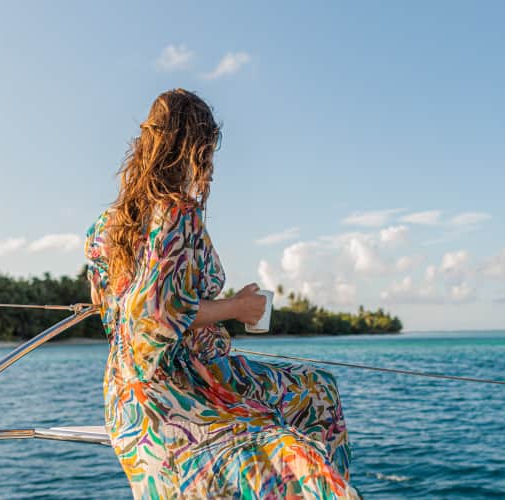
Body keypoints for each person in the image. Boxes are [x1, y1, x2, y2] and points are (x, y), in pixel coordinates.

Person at [84, 88, 360, 499]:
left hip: (125, 392)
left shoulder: (105, 225)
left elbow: (107, 304)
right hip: (182, 383)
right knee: (301, 429)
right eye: (207, 150)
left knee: (317, 388)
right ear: (193, 148)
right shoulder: (178, 212)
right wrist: (239, 308)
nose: (210, 164)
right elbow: (159, 313)